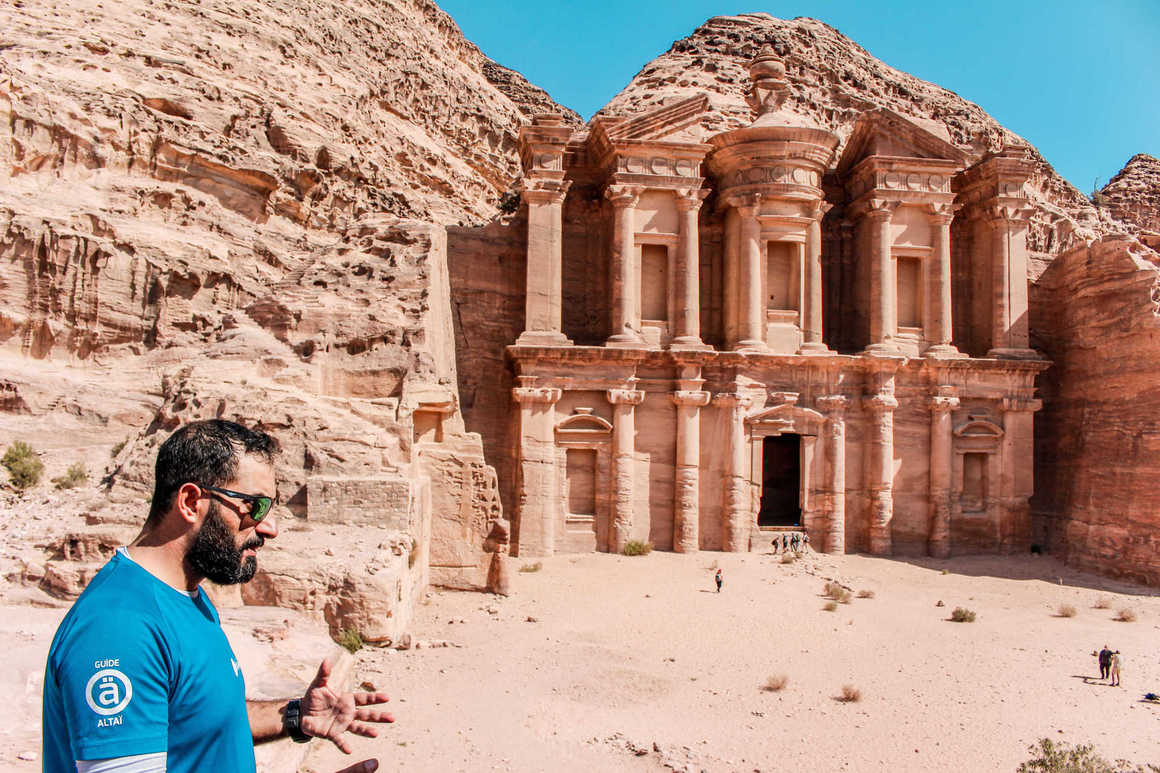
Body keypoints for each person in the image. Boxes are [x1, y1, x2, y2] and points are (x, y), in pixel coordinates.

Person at [42, 420, 393, 773]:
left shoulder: (188, 596)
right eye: (255, 507)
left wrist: (295, 715)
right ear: (191, 502)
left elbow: (197, 717)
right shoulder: (120, 630)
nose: (270, 527)